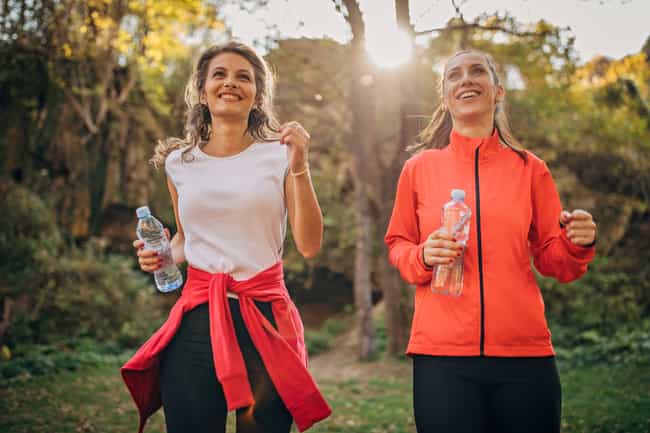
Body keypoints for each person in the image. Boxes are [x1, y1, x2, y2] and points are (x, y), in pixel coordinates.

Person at [121, 41, 331, 433]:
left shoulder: (279, 155)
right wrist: (163, 254)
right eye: (219, 74)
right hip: (197, 321)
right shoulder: (179, 163)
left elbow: (308, 244)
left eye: (243, 77)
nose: (230, 83)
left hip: (264, 320)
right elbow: (185, 238)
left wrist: (300, 166)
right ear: (202, 91)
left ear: (257, 96)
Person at [384, 50, 597, 433]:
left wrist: (577, 244)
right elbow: (398, 243)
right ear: (445, 96)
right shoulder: (419, 169)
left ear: (498, 92)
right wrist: (422, 256)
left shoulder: (530, 169)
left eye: (477, 71)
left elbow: (554, 260)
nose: (466, 79)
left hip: (524, 354)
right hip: (442, 357)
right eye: (454, 75)